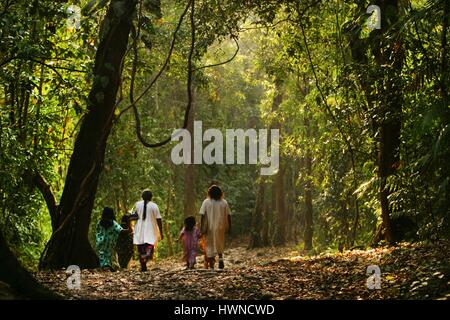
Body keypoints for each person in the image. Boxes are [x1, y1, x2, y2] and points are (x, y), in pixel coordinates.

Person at [199, 185, 231, 269]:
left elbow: (202, 215)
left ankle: (212, 265)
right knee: (219, 242)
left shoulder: (206, 202)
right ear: (220, 193)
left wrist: (202, 227)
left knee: (209, 245)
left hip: (209, 227)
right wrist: (229, 226)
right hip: (220, 227)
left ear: (209, 192)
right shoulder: (224, 202)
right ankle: (220, 259)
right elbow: (228, 215)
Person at [131, 189, 164, 271]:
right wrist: (161, 231)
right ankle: (146, 257)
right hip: (151, 230)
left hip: (139, 229)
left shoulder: (137, 204)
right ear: (151, 197)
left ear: (142, 197)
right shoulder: (154, 206)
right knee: (149, 247)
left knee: (140, 248)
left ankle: (143, 266)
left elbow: (134, 216)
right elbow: (159, 219)